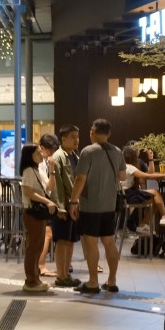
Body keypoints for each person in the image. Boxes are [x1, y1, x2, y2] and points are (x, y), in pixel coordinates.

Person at [68, 119, 125, 294]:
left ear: (92, 131)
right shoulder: (117, 151)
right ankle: (112, 281)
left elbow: (80, 179)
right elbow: (123, 176)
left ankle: (93, 282)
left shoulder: (88, 151)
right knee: (109, 242)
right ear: (109, 133)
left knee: (90, 242)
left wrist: (73, 201)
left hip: (90, 205)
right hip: (109, 205)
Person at [20, 144, 57, 294]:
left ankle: (35, 279)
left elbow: (49, 188)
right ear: (31, 155)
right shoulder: (29, 170)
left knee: (37, 246)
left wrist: (52, 169)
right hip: (32, 213)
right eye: (38, 152)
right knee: (33, 247)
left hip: (38, 213)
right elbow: (28, 192)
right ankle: (31, 280)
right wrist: (47, 201)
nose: (42, 154)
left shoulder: (37, 170)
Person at [51, 125, 82, 289]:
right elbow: (57, 185)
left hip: (74, 205)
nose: (76, 140)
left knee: (70, 240)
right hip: (64, 206)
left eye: (77, 136)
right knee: (62, 240)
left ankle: (66, 274)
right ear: (63, 139)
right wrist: (61, 207)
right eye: (73, 137)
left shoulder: (75, 155)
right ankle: (60, 275)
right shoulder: (58, 157)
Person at [122, 147, 165, 232]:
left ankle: (142, 224)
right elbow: (148, 176)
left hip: (123, 196)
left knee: (155, 199)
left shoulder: (121, 167)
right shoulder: (129, 167)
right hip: (129, 195)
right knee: (156, 193)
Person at [37, 134, 60, 278]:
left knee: (46, 234)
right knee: (47, 234)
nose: (51, 154)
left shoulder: (43, 161)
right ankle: (40, 266)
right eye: (49, 150)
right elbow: (49, 187)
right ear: (42, 148)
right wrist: (52, 169)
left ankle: (39, 265)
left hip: (42, 201)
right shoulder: (39, 163)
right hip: (40, 202)